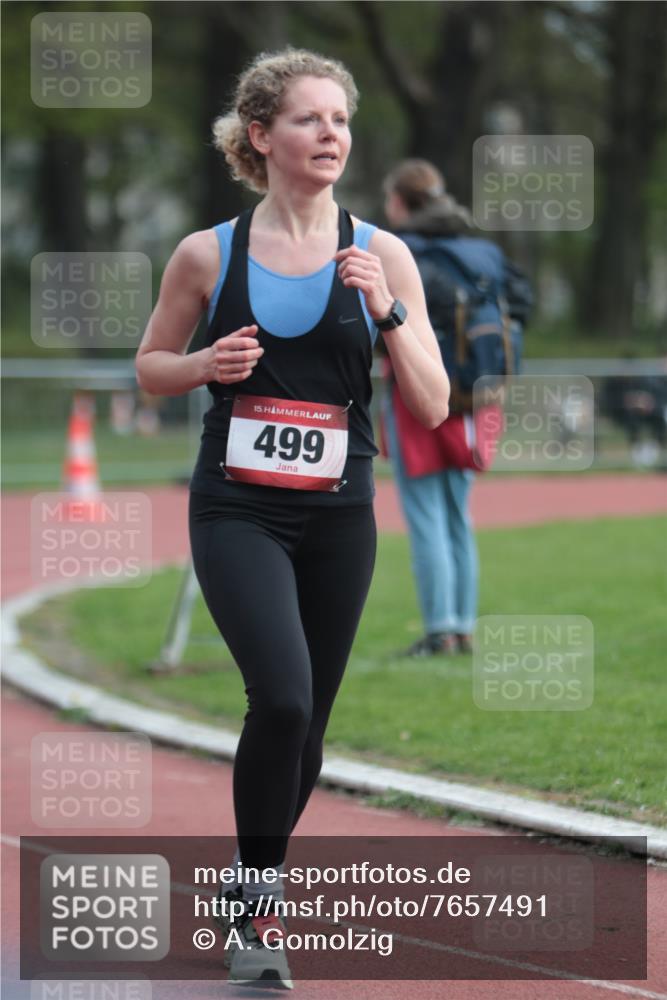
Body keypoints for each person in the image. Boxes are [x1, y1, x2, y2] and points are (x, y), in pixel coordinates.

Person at [135, 50, 449, 988]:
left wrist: (385, 311)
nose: (331, 136)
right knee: (280, 696)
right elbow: (150, 363)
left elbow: (431, 404)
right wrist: (203, 367)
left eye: (341, 121)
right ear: (262, 137)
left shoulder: (383, 254)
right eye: (310, 120)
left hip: (339, 513)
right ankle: (260, 907)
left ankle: (249, 882)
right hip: (237, 508)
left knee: (306, 726)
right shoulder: (208, 253)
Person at [382, 159, 528, 658]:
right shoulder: (484, 251)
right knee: (458, 514)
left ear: (400, 202)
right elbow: (522, 304)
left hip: (418, 396)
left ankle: (438, 629)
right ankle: (463, 627)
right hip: (478, 397)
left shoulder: (401, 251)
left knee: (425, 514)